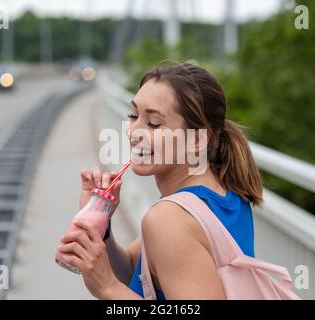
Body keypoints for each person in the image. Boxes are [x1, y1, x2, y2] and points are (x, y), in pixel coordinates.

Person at [57, 61, 263, 299]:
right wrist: (101, 225)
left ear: (196, 140)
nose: (134, 132)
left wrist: (107, 288)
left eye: (154, 123)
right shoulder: (227, 191)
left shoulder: (170, 218)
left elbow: (123, 282)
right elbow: (134, 271)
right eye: (133, 115)